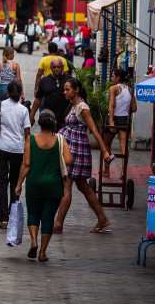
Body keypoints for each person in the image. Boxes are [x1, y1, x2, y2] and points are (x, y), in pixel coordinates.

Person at [53, 79, 113, 234]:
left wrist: (105, 151)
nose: (64, 92)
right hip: (72, 148)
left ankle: (58, 223)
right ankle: (102, 218)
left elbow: (94, 130)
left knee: (67, 184)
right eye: (64, 90)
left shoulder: (82, 107)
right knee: (82, 185)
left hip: (76, 150)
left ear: (76, 90)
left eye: (67, 89)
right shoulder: (73, 105)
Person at [15, 110, 72, 262]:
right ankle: (42, 252)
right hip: (54, 185)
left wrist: (19, 184)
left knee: (33, 213)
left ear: (39, 123)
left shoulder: (31, 140)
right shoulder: (60, 140)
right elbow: (68, 160)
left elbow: (26, 165)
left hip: (34, 183)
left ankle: (33, 241)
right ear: (53, 123)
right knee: (48, 218)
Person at [0, 81, 30, 229]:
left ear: (8, 93)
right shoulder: (23, 110)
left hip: (1, 147)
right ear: (20, 93)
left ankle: (3, 219)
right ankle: (13, 216)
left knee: (2, 182)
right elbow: (27, 134)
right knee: (15, 183)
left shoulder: (0, 105)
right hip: (17, 149)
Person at [103, 68, 137, 179]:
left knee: (106, 144)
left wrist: (112, 121)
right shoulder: (130, 89)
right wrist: (125, 109)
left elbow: (111, 105)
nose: (112, 78)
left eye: (113, 76)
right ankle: (123, 172)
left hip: (114, 118)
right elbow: (134, 108)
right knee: (124, 147)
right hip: (124, 119)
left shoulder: (113, 88)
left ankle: (106, 171)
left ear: (118, 77)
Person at [30, 58, 70, 128]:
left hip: (65, 118)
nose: (56, 69)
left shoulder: (69, 80)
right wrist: (32, 115)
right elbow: (38, 99)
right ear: (51, 68)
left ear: (62, 68)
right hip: (48, 118)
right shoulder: (44, 81)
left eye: (58, 67)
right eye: (54, 67)